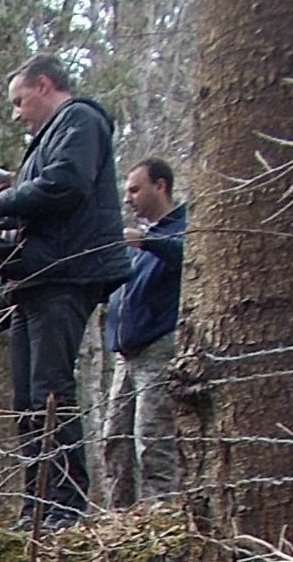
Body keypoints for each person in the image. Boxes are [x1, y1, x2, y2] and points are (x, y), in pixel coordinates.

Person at [0, 55, 131, 529]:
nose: (16, 113)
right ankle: (37, 505)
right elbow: (48, 185)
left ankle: (65, 505)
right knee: (27, 398)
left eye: (19, 101)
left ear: (44, 85)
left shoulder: (80, 119)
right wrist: (15, 189)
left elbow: (66, 184)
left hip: (65, 273)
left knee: (50, 391)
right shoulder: (53, 134)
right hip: (34, 277)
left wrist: (1, 203)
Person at [101, 157, 186, 507]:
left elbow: (189, 257)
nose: (128, 198)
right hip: (124, 353)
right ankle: (119, 519)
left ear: (160, 186)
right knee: (114, 440)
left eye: (135, 190)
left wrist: (147, 241)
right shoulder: (134, 241)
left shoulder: (182, 227)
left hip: (158, 347)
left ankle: (161, 515)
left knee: (152, 439)